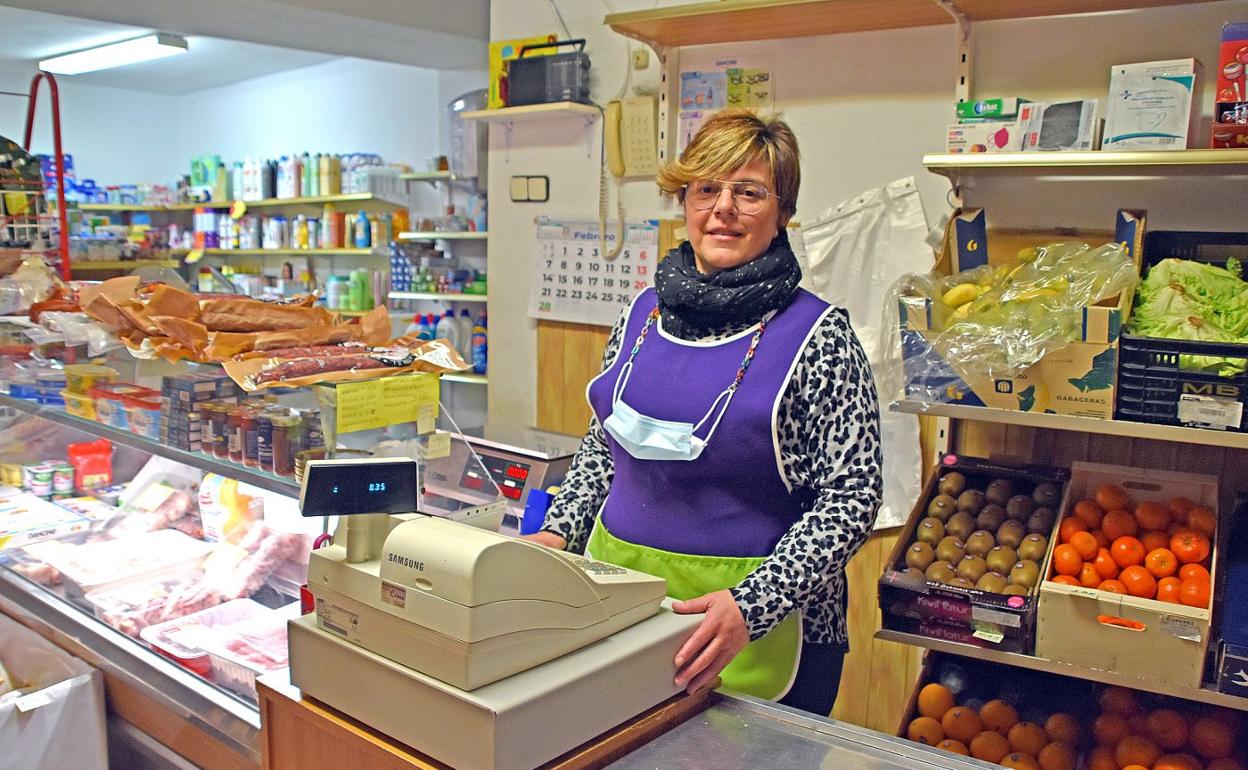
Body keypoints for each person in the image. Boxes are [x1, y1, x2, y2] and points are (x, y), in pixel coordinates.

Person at [524, 109, 882, 716]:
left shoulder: (820, 336)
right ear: (685, 202)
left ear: (783, 213)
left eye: (749, 192)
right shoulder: (642, 314)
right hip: (624, 603)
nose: (723, 208)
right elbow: (601, 448)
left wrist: (753, 605)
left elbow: (852, 495)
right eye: (706, 189)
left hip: (766, 632)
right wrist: (562, 529)